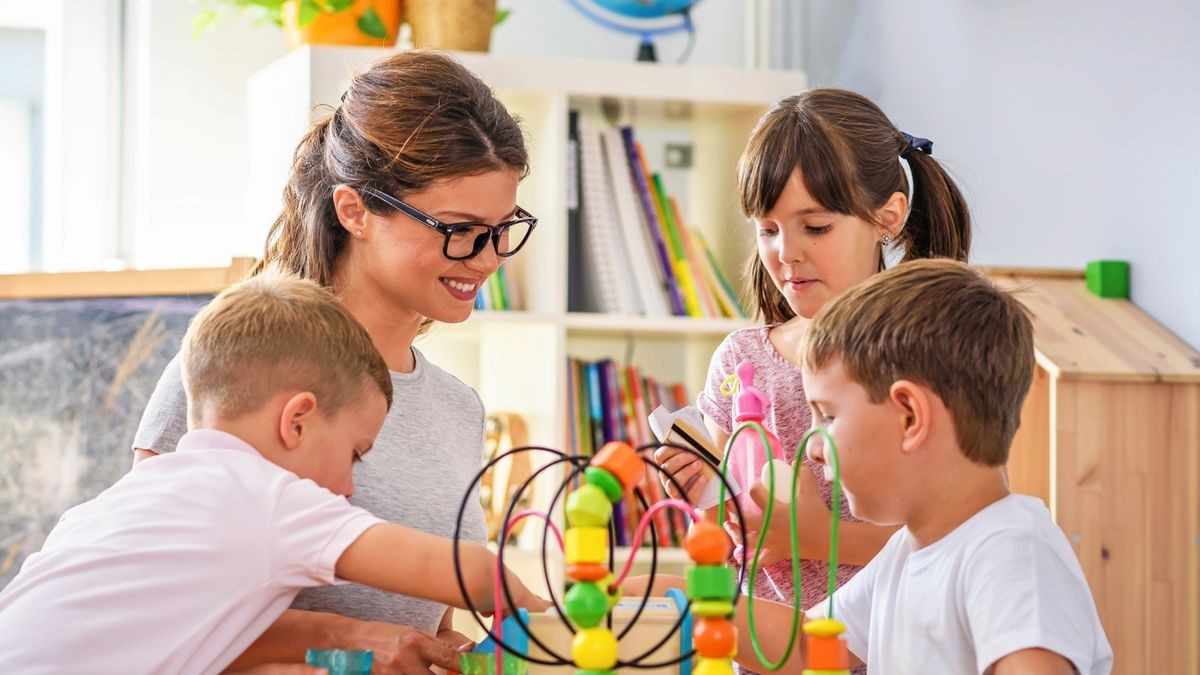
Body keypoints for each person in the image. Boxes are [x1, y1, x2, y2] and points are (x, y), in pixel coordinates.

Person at [129, 50, 537, 671]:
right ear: (355, 211)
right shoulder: (238, 367)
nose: (488, 259)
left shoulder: (458, 407)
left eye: (503, 228)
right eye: (460, 228)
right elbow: (153, 604)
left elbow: (428, 622)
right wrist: (351, 638)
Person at [0, 272, 549, 675]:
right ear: (298, 421)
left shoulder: (109, 507)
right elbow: (468, 573)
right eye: (355, 453)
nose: (350, 487)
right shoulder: (270, 500)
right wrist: (548, 619)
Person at [632, 259, 1113, 674]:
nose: (813, 450)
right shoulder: (908, 552)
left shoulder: (1011, 553)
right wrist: (675, 596)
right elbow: (804, 645)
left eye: (830, 417)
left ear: (909, 416)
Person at [654, 88, 972, 665]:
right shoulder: (741, 358)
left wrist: (807, 535)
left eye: (816, 227)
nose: (786, 253)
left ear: (888, 217)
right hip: (756, 654)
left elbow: (950, 543)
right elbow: (730, 544)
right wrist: (703, 491)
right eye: (768, 229)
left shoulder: (928, 360)